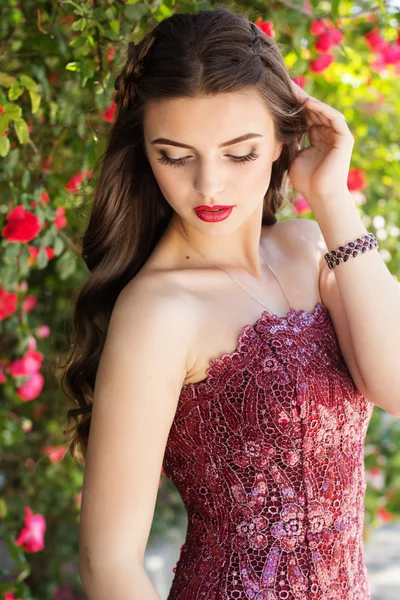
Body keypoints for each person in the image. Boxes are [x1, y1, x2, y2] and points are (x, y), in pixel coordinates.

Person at [60, 7, 385, 599]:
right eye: (175, 156)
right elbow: (108, 561)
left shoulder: (310, 247)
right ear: (146, 154)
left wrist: (331, 198)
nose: (209, 185)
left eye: (239, 153)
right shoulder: (159, 311)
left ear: (284, 141)